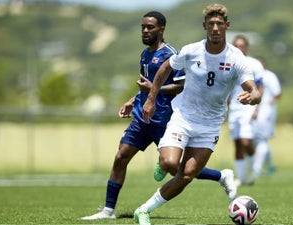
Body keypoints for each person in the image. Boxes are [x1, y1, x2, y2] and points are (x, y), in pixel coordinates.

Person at [81, 10, 235, 221]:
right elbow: (147, 85)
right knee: (121, 156)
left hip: (165, 118)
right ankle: (108, 210)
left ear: (161, 29)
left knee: (175, 168)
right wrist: (133, 100)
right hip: (142, 117)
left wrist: (154, 91)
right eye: (143, 27)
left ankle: (220, 175)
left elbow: (180, 86)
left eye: (150, 27)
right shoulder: (145, 54)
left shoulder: (171, 54)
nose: (145, 31)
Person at [134, 4, 261, 225]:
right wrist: (151, 99)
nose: (214, 28)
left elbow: (254, 89)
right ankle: (170, 163)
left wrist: (254, 95)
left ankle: (143, 210)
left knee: (186, 174)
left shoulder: (236, 57)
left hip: (210, 124)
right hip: (183, 117)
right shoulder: (191, 50)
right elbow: (165, 68)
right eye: (210, 24)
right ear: (204, 26)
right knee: (169, 163)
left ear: (226, 26)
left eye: (219, 24)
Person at [228, 35, 265, 186]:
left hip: (249, 107)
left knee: (245, 141)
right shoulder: (228, 63)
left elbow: (260, 87)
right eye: (236, 45)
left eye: (242, 45)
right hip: (234, 108)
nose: (239, 48)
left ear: (247, 47)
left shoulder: (254, 64)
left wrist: (257, 107)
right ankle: (242, 178)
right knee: (237, 143)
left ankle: (254, 170)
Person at [248, 59, 282, 184]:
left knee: (261, 139)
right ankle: (270, 165)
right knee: (255, 140)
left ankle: (256, 169)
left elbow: (278, 94)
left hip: (266, 113)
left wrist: (268, 105)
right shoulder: (251, 76)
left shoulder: (269, 76)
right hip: (255, 112)